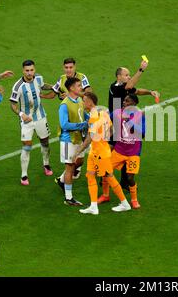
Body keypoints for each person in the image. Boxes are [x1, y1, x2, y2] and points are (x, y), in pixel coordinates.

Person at [72, 92, 131, 215]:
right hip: (96, 151)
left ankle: (125, 204)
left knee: (109, 177)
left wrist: (78, 151)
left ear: (89, 102)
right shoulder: (103, 113)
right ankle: (93, 206)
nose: (83, 103)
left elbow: (89, 138)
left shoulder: (93, 117)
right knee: (90, 175)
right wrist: (104, 139)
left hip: (100, 153)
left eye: (84, 100)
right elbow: (111, 129)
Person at [108, 59, 159, 190]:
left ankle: (122, 181)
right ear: (119, 76)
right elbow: (130, 87)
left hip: (123, 123)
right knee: (111, 149)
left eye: (129, 75)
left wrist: (150, 92)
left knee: (125, 149)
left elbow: (135, 91)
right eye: (126, 75)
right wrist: (141, 70)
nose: (129, 77)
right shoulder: (116, 87)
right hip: (116, 123)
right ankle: (104, 175)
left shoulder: (123, 87)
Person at [43, 57, 91, 180]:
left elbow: (89, 94)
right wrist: (41, 95)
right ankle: (66, 180)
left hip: (81, 112)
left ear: (75, 67)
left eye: (71, 67)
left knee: (82, 154)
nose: (68, 70)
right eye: (66, 67)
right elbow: (54, 93)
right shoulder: (62, 79)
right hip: (70, 114)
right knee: (74, 157)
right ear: (63, 68)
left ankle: (71, 173)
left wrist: (73, 94)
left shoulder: (82, 77)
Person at [10, 60, 54, 185]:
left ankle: (46, 164)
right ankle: (24, 175)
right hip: (27, 121)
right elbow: (12, 104)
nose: (29, 73)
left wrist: (53, 86)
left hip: (40, 117)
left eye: (31, 70)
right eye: (27, 70)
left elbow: (42, 85)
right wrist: (21, 114)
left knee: (45, 142)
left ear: (34, 70)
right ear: (23, 71)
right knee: (27, 147)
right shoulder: (17, 87)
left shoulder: (38, 78)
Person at [98, 94, 145, 209]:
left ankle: (134, 200)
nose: (124, 102)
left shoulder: (139, 116)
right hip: (119, 150)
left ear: (134, 104)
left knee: (130, 178)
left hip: (133, 152)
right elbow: (107, 118)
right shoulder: (117, 113)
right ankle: (105, 195)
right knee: (105, 171)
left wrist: (130, 121)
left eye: (127, 101)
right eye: (124, 100)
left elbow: (143, 132)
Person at [57, 77, 88, 206]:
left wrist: (92, 117)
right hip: (68, 139)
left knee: (80, 161)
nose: (81, 88)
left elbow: (83, 114)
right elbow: (64, 124)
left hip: (79, 138)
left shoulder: (79, 100)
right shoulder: (64, 105)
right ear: (71, 88)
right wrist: (82, 125)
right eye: (78, 86)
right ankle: (68, 198)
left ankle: (61, 180)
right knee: (70, 167)